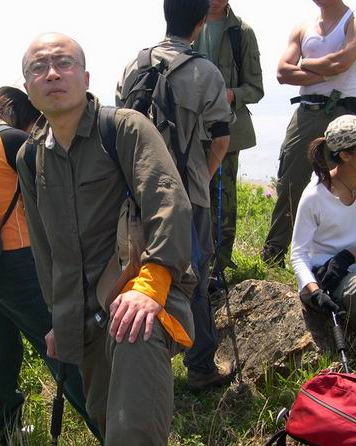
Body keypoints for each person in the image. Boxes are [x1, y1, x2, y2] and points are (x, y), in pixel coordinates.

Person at [17, 32, 195, 446]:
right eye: (39, 68)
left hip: (140, 302)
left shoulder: (123, 128)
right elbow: (45, 249)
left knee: (131, 435)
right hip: (85, 322)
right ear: (28, 88)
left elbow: (169, 203)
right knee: (105, 422)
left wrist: (150, 287)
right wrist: (59, 320)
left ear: (85, 77)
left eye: (64, 63)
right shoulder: (30, 157)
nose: (52, 74)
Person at [0, 85, 100, 446]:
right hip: (18, 261)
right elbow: (51, 188)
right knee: (61, 348)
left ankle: (5, 432)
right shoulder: (12, 140)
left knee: (2, 350)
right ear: (23, 114)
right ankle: (111, 432)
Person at [116, 0, 235, 392]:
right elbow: (221, 139)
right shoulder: (205, 71)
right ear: (200, 23)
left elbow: (119, 130)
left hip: (136, 191)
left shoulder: (134, 64)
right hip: (188, 192)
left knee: (138, 269)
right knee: (192, 273)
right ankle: (200, 365)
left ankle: (138, 354)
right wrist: (201, 179)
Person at [262, 0, 356, 266]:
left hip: (344, 113)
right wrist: (325, 73)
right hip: (305, 112)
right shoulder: (303, 27)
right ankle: (274, 254)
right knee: (290, 182)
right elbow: (282, 71)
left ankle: (352, 252)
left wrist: (305, 64)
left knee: (351, 181)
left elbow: (341, 63)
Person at [193, 0, 264, 274]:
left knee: (223, 199)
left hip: (227, 130)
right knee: (189, 196)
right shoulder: (187, 23)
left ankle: (219, 267)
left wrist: (230, 95)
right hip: (189, 129)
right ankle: (192, 262)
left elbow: (255, 89)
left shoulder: (242, 32)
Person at [291, 114, 356, 340]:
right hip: (329, 278)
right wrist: (315, 292)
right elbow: (298, 256)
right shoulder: (314, 197)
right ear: (345, 155)